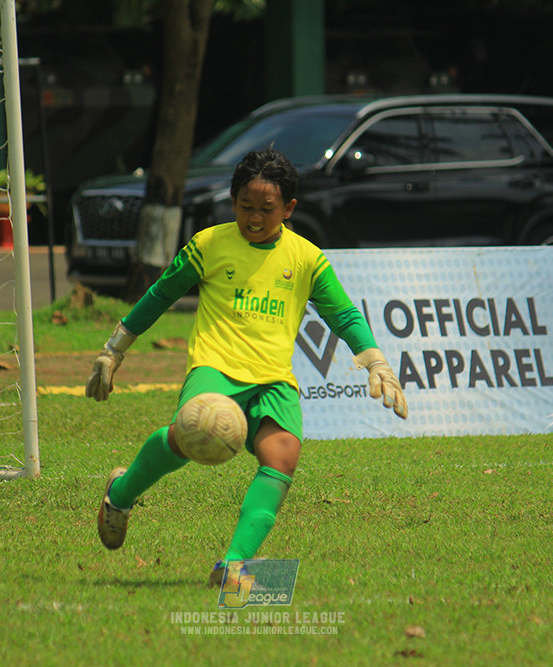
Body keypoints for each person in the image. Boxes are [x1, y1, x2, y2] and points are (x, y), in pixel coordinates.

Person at [86, 147, 407, 585]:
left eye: (267, 210)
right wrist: (114, 349)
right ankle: (119, 497)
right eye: (245, 207)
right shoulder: (209, 245)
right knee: (187, 440)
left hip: (274, 378)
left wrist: (376, 361)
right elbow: (161, 293)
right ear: (232, 200)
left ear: (289, 209)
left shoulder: (307, 259)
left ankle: (232, 565)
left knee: (284, 456)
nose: (254, 218)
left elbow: (345, 315)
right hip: (215, 368)